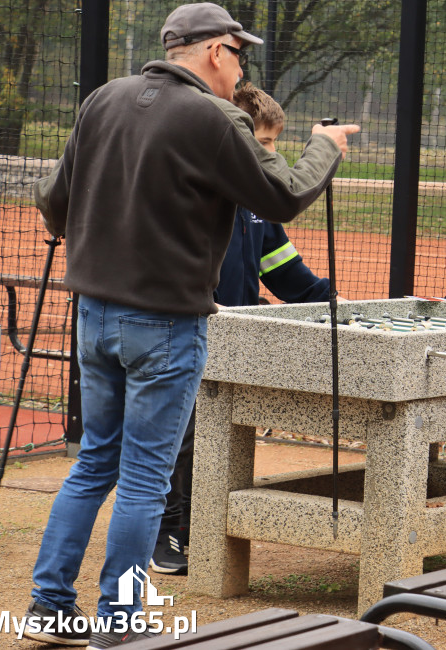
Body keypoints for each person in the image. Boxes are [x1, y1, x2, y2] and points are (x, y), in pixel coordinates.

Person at [24, 2, 358, 648]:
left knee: (96, 461)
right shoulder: (211, 115)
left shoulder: (102, 101)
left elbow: (52, 203)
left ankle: (49, 606)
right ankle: (118, 625)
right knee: (146, 477)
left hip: (91, 315)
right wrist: (325, 146)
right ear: (213, 51)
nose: (240, 70)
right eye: (239, 55)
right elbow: (284, 194)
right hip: (167, 324)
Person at [149, 81, 339, 576]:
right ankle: (165, 531)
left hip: (233, 342)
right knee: (179, 437)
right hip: (181, 330)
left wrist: (336, 302)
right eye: (263, 141)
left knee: (216, 438)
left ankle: (199, 525)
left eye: (275, 143)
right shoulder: (199, 193)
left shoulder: (261, 207)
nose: (269, 153)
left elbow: (286, 275)